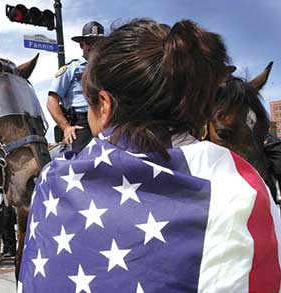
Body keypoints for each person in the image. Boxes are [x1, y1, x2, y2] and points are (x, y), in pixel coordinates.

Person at [19, 19, 281, 292]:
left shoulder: (50, 179)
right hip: (79, 127)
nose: (88, 46)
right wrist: (65, 126)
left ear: (103, 105)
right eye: (86, 42)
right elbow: (53, 101)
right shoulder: (244, 191)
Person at [47, 21, 105, 151]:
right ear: (81, 45)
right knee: (82, 165)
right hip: (82, 124)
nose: (94, 46)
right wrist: (66, 127)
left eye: (98, 42)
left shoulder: (108, 70)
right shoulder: (70, 69)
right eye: (90, 42)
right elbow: (52, 101)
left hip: (106, 121)